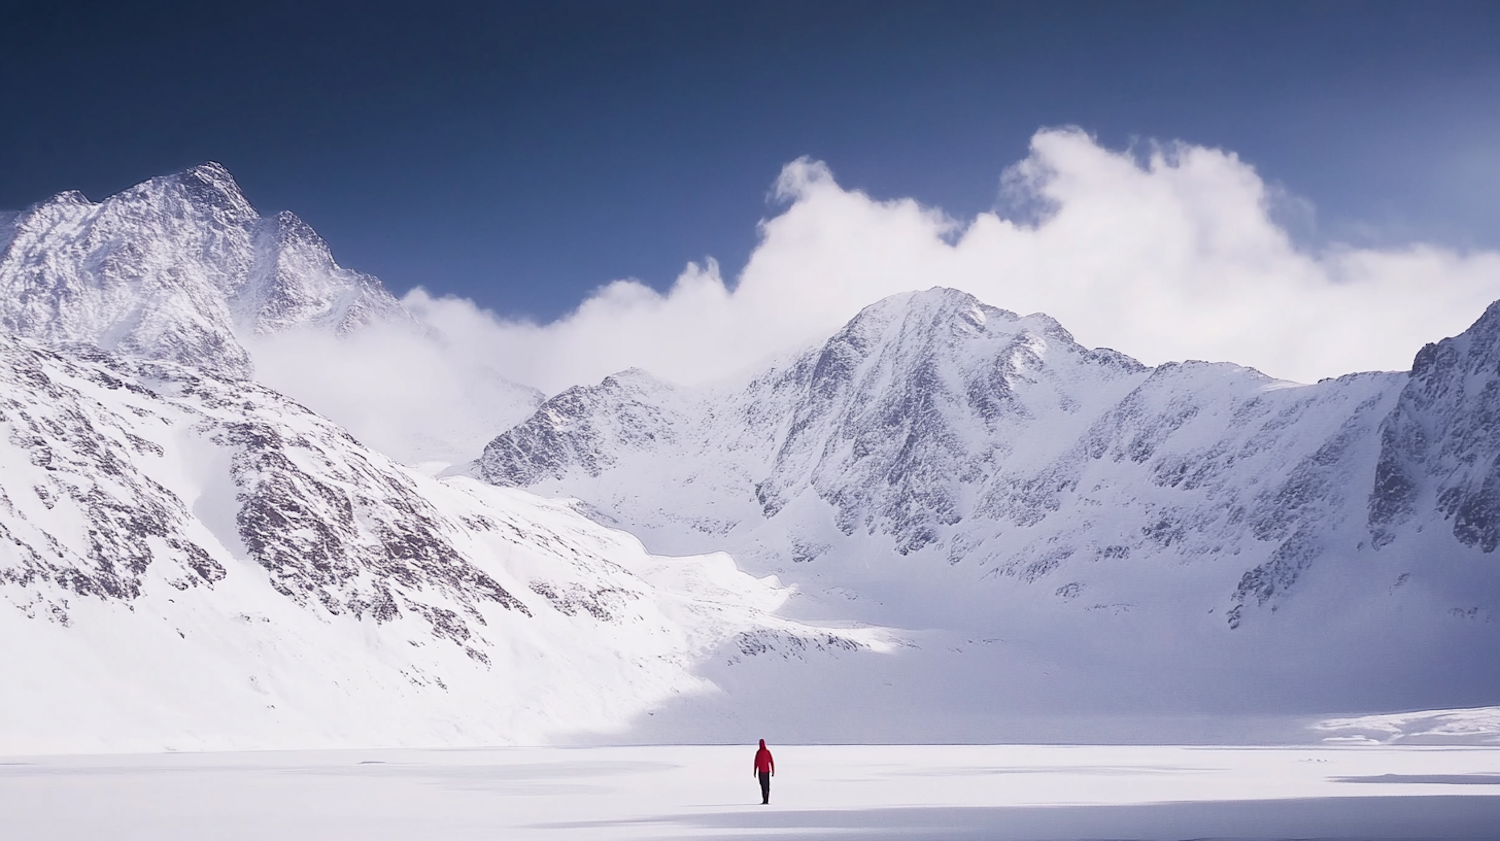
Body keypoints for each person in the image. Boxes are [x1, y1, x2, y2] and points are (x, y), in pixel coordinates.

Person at [752, 738, 775, 804]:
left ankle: (765, 800)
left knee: (763, 786)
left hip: (761, 772)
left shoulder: (759, 752)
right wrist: (773, 771)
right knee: (767, 786)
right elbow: (771, 762)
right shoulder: (767, 752)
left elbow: (755, 762)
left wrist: (755, 771)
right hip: (766, 772)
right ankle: (766, 800)